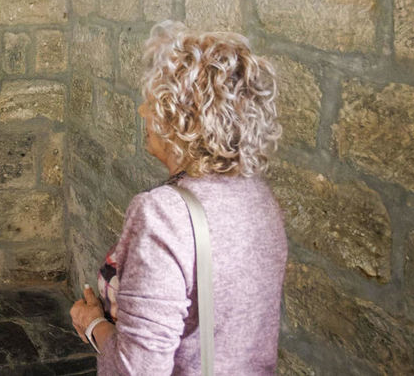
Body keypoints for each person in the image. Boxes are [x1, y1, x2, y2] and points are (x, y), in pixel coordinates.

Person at [69, 21, 287, 374]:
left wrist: (93, 324)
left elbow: (138, 370)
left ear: (180, 119)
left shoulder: (163, 214)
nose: (142, 111)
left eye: (153, 102)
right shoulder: (259, 197)